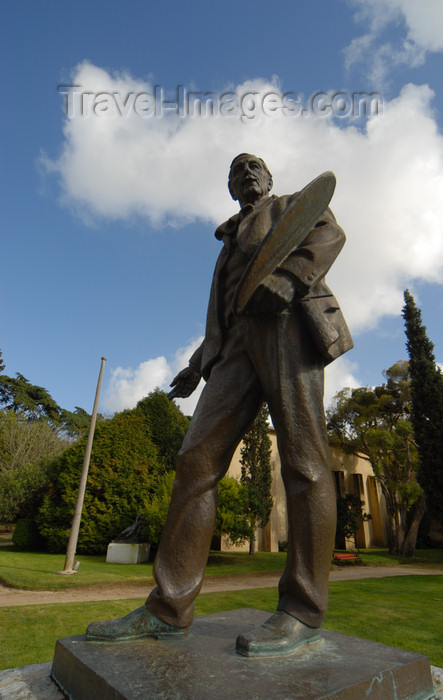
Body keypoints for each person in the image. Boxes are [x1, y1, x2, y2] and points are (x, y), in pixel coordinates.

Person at [86, 153, 353, 657]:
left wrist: (292, 276)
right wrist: (196, 364)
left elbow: (328, 235)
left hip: (288, 324)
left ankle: (302, 611)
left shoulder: (295, 206)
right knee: (195, 461)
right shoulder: (230, 239)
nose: (247, 173)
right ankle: (168, 609)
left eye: (255, 166)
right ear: (231, 188)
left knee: (304, 463)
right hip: (234, 349)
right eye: (237, 171)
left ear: (270, 179)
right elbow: (226, 310)